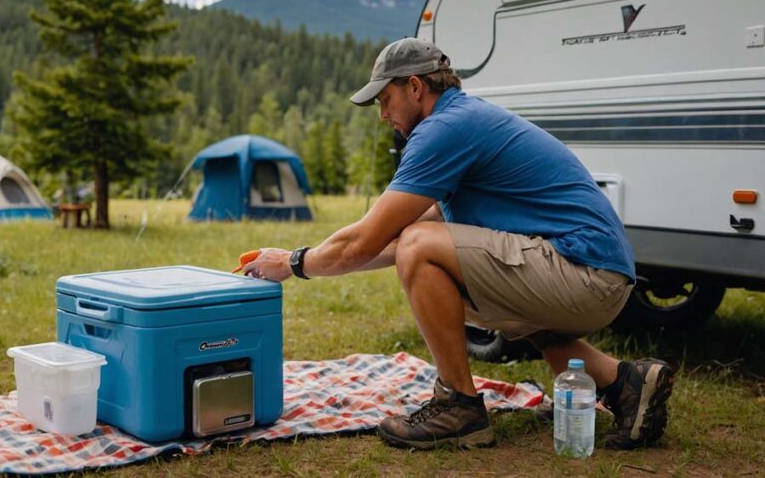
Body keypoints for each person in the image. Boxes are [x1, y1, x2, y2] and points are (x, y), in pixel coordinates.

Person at [241, 38, 674, 451]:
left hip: (586, 274)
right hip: (595, 273)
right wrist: (316, 257)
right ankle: (626, 384)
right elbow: (389, 242)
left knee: (421, 246)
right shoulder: (462, 122)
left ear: (414, 87)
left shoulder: (444, 129)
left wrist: (294, 263)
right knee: (424, 247)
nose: (381, 114)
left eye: (384, 99)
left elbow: (382, 241)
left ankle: (458, 407)